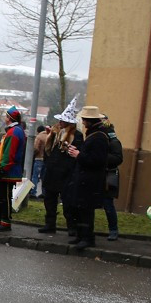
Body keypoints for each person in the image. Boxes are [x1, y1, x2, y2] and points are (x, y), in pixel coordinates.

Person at [66, 106, 109, 250]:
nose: (82, 122)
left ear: (90, 120)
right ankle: (81, 235)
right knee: (79, 209)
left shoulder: (99, 137)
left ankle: (87, 238)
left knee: (86, 211)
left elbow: (97, 160)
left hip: (90, 181)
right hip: (84, 179)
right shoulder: (93, 135)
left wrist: (79, 155)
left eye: (84, 119)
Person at [38, 105, 82, 235]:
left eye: (62, 121)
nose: (59, 123)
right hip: (52, 173)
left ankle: (72, 227)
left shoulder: (77, 136)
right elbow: (49, 150)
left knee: (68, 203)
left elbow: (73, 156)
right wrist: (49, 163)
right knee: (49, 201)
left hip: (66, 175)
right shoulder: (55, 133)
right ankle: (50, 224)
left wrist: (67, 169)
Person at [100, 115, 123, 240]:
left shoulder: (113, 141)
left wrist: (102, 157)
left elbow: (118, 158)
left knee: (108, 204)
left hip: (109, 176)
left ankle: (113, 230)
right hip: (98, 174)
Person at [30, 125, 47, 196]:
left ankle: (33, 192)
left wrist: (33, 154)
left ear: (38, 131)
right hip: (46, 159)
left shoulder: (39, 137)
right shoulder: (48, 136)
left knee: (35, 176)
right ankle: (44, 192)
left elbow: (36, 148)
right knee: (44, 177)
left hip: (38, 158)